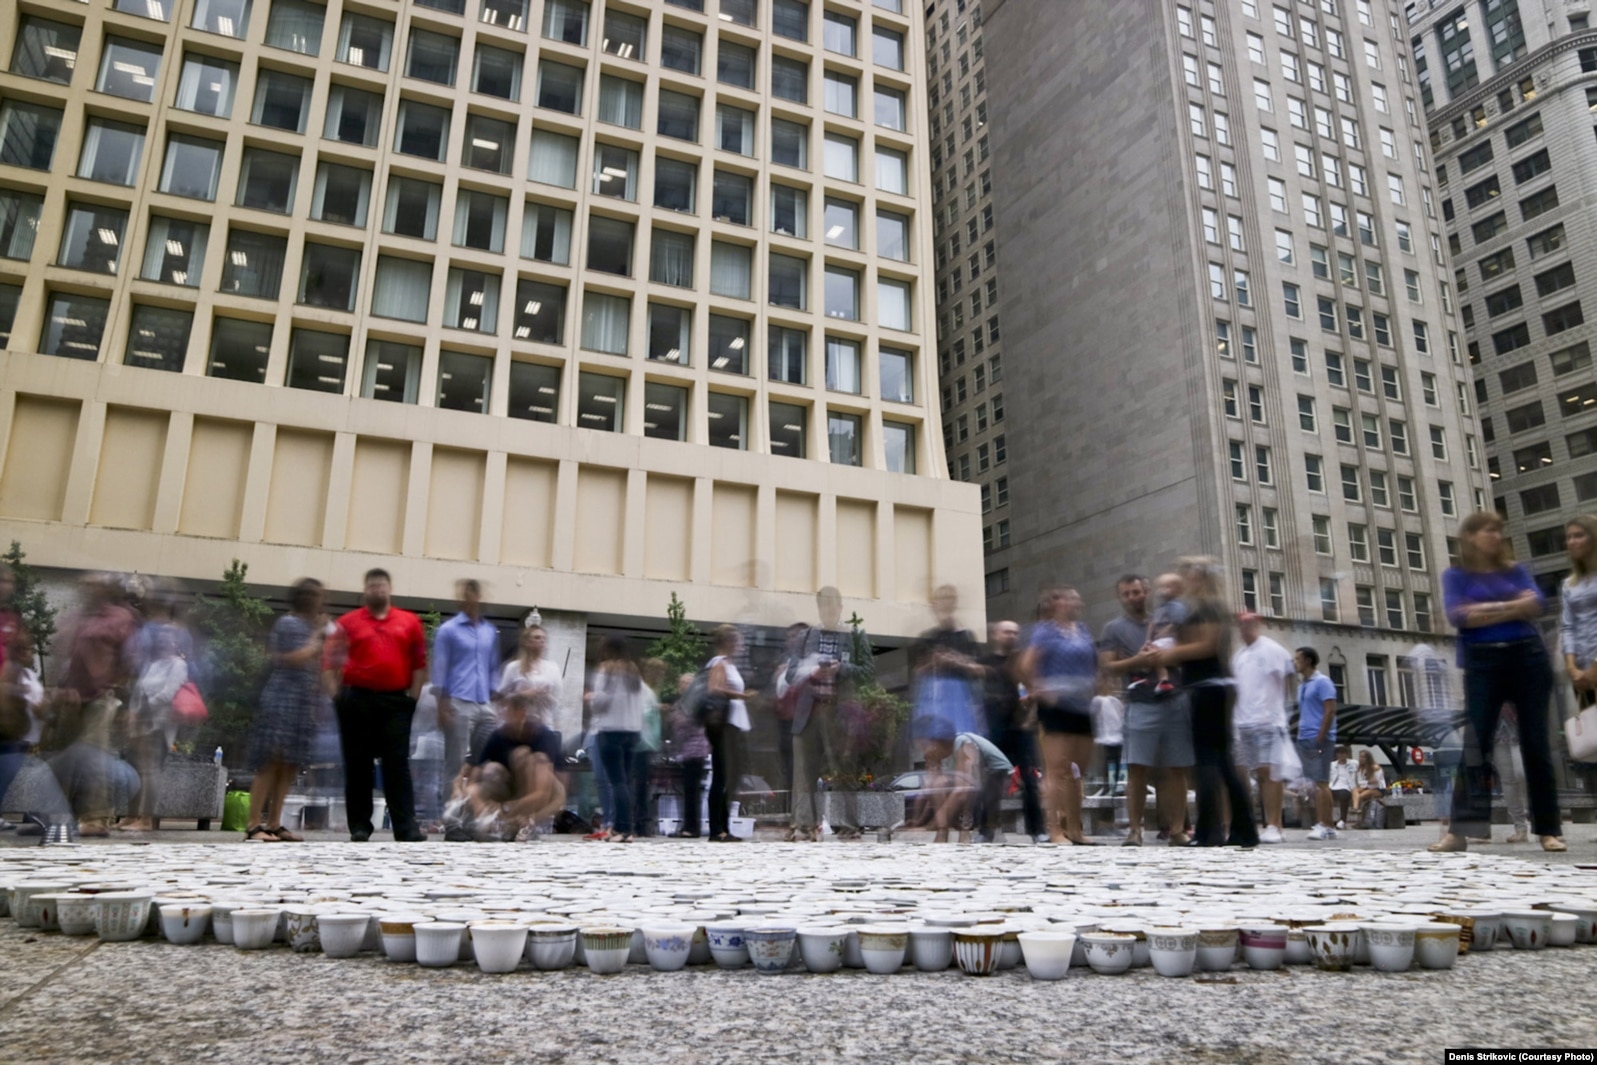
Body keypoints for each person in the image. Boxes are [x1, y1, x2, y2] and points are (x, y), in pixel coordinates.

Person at [1434, 511, 1565, 853]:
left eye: (1498, 530)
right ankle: (1459, 831)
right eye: (1486, 530)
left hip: (1528, 657)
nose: (1495, 535)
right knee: (1477, 744)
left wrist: (1487, 611)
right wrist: (1511, 607)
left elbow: (1535, 604)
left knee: (1536, 743)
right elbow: (1458, 616)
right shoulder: (1456, 576)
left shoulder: (1515, 570)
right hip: (1482, 660)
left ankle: (1549, 830)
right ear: (1470, 537)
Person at [1154, 557, 1256, 848]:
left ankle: (1210, 831)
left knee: (1208, 761)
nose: (1183, 580)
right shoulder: (1210, 606)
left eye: (1186, 574)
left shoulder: (1209, 606)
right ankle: (1242, 830)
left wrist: (1170, 654)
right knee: (1221, 760)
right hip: (1215, 686)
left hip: (1208, 687)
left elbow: (1207, 645)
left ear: (1197, 577)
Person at [323, 568, 428, 842]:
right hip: (356, 700)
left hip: (396, 702)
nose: (377, 590)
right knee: (358, 766)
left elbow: (419, 664)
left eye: (382, 586)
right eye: (372, 586)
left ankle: (405, 827)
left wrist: (412, 700)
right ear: (365, 590)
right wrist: (337, 697)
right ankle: (359, 826)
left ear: (389, 589)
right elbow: (329, 662)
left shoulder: (409, 622)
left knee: (397, 765)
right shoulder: (347, 623)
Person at [1099, 574, 1193, 847]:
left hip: (1175, 697)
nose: (1132, 597)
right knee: (1137, 768)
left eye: (1137, 591)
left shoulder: (1168, 619)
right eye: (1126, 593)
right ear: (1120, 597)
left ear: (1147, 591)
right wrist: (1138, 660)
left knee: (1177, 768)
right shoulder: (1113, 628)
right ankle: (1135, 830)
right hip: (1140, 701)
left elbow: (1188, 652)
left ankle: (1177, 830)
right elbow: (1107, 666)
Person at [50, 574, 141, 836]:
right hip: (70, 696)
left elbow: (130, 659)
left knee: (94, 758)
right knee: (64, 756)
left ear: (106, 590)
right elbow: (61, 652)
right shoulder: (76, 618)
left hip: (101, 697)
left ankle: (95, 819)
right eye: (84, 586)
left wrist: (122, 695)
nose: (86, 589)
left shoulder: (120, 618)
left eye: (93, 586)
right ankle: (59, 815)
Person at [244, 579, 326, 842]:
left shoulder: (311, 627)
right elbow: (293, 658)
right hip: (281, 699)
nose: (317, 600)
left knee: (290, 764)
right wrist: (319, 637)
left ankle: (275, 823)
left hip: (303, 703)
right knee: (271, 760)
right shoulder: (289, 623)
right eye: (312, 595)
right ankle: (254, 824)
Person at [1019, 585, 1098, 845]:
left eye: (1077, 598)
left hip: (1082, 705)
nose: (1075, 603)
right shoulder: (1046, 632)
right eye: (1069, 599)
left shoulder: (1083, 630)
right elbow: (1026, 665)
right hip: (1055, 705)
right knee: (1057, 769)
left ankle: (1075, 829)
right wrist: (1038, 689)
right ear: (1057, 603)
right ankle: (1054, 830)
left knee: (1078, 770)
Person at [784, 588, 864, 841]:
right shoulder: (806, 637)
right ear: (818, 608)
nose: (828, 610)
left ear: (840, 607)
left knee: (843, 770)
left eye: (832, 606)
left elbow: (868, 672)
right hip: (809, 711)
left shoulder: (855, 636)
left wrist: (842, 669)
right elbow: (790, 674)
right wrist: (812, 673)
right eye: (823, 606)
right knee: (804, 773)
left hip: (839, 712)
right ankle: (804, 826)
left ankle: (848, 826)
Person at [445, 690, 566, 842]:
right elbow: (473, 779)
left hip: (543, 798)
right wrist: (474, 801)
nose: (502, 715)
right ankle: (491, 826)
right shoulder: (498, 737)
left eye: (506, 711)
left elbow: (544, 793)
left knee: (524, 756)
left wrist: (507, 810)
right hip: (509, 791)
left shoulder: (543, 738)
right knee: (491, 770)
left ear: (520, 713)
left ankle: (525, 824)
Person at [120, 609, 190, 833]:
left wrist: (144, 713)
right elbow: (138, 691)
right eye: (161, 633)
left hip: (158, 724)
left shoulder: (178, 665)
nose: (163, 637)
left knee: (150, 770)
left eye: (169, 634)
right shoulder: (152, 663)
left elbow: (168, 694)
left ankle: (146, 819)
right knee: (134, 769)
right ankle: (130, 816)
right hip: (139, 724)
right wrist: (132, 714)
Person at [1229, 612, 1295, 844]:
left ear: (1258, 624)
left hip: (1267, 720)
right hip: (1243, 722)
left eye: (1249, 624)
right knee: (1248, 773)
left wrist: (1281, 711)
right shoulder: (1239, 655)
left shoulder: (1272, 649)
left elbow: (1288, 679)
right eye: (1241, 625)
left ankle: (1274, 824)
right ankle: (1250, 822)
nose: (1244, 628)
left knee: (1269, 772)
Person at [432, 580, 502, 787]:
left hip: (485, 704)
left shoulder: (489, 631)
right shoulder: (448, 630)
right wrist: (441, 705)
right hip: (458, 702)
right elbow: (440, 667)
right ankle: (452, 819)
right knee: (455, 764)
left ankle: (474, 818)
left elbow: (492, 666)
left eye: (475, 594)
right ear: (461, 599)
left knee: (483, 764)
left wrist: (495, 697)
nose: (471, 599)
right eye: (466, 594)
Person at [982, 619, 1044, 842]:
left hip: (1022, 727)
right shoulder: (987, 663)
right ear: (996, 635)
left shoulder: (1023, 661)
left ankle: (1037, 830)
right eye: (1006, 632)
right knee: (993, 779)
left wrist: (1032, 702)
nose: (1011, 636)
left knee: (1030, 779)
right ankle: (986, 830)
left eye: (1015, 632)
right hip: (996, 728)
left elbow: (1036, 688)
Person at [586, 635, 645, 843]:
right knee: (626, 781)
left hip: (610, 730)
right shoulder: (634, 672)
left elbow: (601, 702)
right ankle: (624, 827)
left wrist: (591, 698)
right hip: (632, 731)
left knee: (616, 782)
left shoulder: (606, 670)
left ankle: (623, 829)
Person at [910, 586, 986, 739]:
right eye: (941, 599)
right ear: (934, 604)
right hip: (934, 697)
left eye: (949, 599)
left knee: (962, 742)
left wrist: (957, 662)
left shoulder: (966, 636)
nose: (945, 603)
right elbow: (917, 672)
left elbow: (980, 670)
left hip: (960, 699)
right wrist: (933, 663)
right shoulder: (927, 637)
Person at [917, 725, 1012, 843]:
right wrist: (920, 821)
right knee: (940, 783)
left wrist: (934, 824)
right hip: (983, 780)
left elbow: (963, 788)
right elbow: (937, 790)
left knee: (964, 788)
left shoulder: (962, 742)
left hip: (1001, 777)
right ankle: (945, 830)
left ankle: (964, 830)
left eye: (935, 746)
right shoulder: (954, 750)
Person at [705, 625, 751, 843]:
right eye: (737, 641)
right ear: (728, 642)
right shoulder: (719, 663)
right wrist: (741, 696)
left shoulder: (728, 664)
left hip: (733, 726)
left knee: (730, 777)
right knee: (721, 776)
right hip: (725, 725)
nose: (739, 645)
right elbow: (714, 688)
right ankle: (717, 829)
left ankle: (724, 825)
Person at [1293, 646, 1339, 841]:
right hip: (1304, 737)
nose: (1294, 663)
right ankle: (1324, 823)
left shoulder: (1322, 682)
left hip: (1318, 737)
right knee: (1314, 782)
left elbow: (1329, 710)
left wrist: (1320, 736)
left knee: (1321, 782)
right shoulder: (1302, 685)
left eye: (1297, 659)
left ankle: (1326, 824)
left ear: (1308, 661)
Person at [1561, 514, 1597, 714]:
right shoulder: (1569, 584)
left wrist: (1595, 668)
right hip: (1582, 676)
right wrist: (1572, 669)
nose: (1572, 541)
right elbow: (1568, 627)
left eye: (1579, 535)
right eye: (1569, 537)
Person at [670, 672, 710, 838]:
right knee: (688, 790)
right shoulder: (683, 702)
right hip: (686, 751)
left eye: (687, 683)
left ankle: (691, 827)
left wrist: (675, 718)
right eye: (682, 683)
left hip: (695, 750)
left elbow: (686, 725)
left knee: (692, 790)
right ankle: (688, 825)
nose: (684, 686)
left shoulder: (693, 702)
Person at [1136, 573, 1187, 696]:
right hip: (1159, 639)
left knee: (1155, 655)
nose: (1162, 591)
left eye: (1167, 587)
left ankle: (1163, 680)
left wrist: (1164, 632)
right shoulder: (1160, 608)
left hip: (1169, 639)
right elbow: (1152, 624)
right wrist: (1148, 639)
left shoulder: (1177, 607)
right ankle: (1150, 677)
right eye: (1160, 587)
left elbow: (1178, 624)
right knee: (1145, 652)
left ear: (1178, 590)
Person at [633, 659, 665, 837]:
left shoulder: (651, 691)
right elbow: (640, 714)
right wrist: (655, 709)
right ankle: (640, 822)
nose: (659, 676)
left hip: (649, 744)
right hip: (640, 744)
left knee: (645, 786)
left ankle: (643, 821)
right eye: (657, 672)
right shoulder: (642, 689)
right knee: (640, 785)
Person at [1351, 749, 1387, 828]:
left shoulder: (1375, 767)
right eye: (1360, 757)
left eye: (1363, 757)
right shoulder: (1360, 768)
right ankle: (1355, 808)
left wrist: (1365, 782)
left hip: (1377, 789)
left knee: (1361, 796)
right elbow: (1360, 782)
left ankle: (1359, 815)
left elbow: (1375, 781)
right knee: (1354, 790)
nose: (1361, 759)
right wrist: (1363, 784)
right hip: (1366, 787)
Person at [1328, 746, 1357, 829]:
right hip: (1333, 786)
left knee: (1343, 795)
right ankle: (1326, 819)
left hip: (1347, 787)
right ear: (1337, 755)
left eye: (1344, 753)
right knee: (1324, 796)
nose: (1342, 755)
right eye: (1340, 753)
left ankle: (1342, 820)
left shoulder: (1353, 763)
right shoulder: (1332, 765)